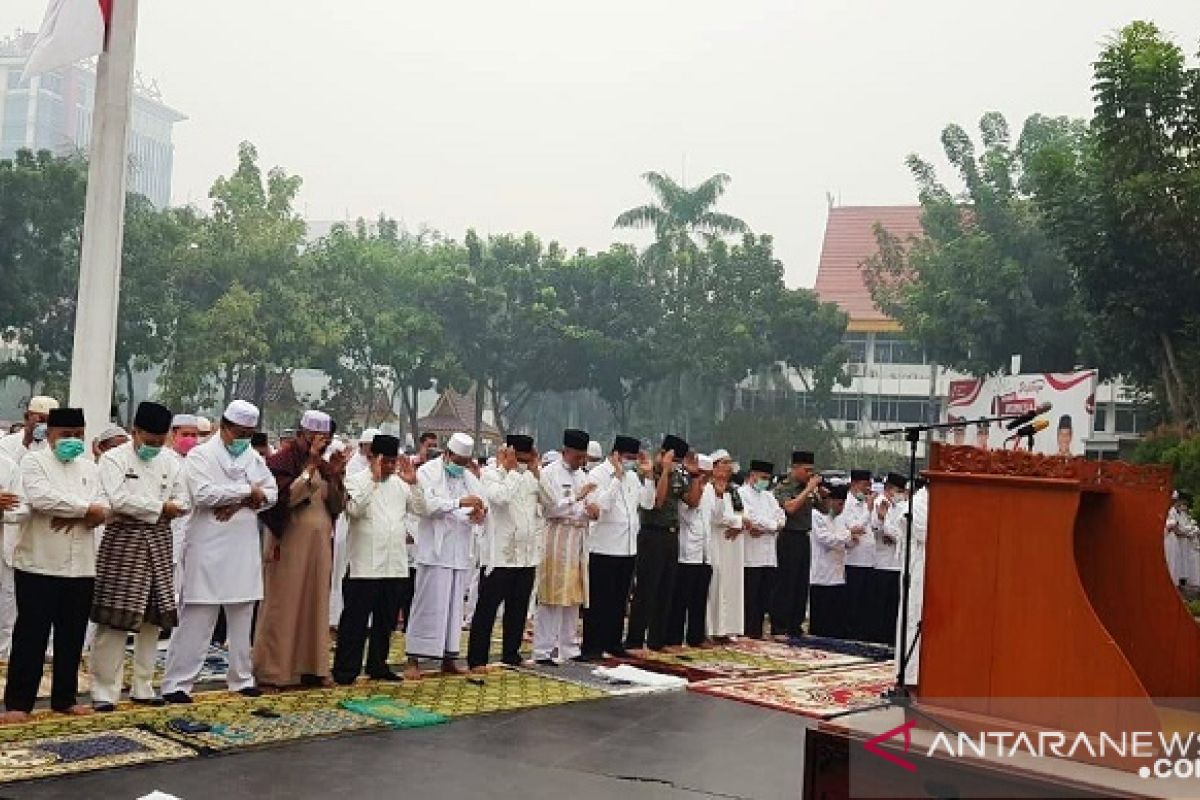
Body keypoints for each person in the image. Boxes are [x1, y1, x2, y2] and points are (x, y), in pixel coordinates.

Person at [162, 400, 277, 703]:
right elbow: (203, 494)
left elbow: (272, 493)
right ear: (223, 427)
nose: (244, 439)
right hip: (208, 546)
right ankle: (177, 683)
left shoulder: (253, 458)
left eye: (249, 434)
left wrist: (239, 501)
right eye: (240, 432)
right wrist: (247, 493)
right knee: (197, 618)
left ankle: (241, 678)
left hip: (242, 546)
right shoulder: (200, 455)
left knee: (241, 617)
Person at [1, 407, 106, 723]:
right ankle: (19, 703)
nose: (72, 441)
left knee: (71, 635)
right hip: (39, 564)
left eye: (77, 435)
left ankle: (65, 698)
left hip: (82, 566)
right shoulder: (33, 463)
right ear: (49, 435)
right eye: (65, 435)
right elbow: (42, 498)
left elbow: (106, 505)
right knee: (31, 635)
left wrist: (86, 512)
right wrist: (84, 510)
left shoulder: (91, 467)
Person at [90, 402, 189, 711]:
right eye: (149, 441)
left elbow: (183, 500)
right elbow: (117, 500)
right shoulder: (113, 459)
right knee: (115, 619)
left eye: (160, 442)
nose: (154, 447)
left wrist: (156, 508)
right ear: (135, 432)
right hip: (123, 543)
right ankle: (105, 691)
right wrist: (160, 508)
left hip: (158, 543)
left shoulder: (172, 461)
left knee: (153, 620)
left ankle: (143, 686)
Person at [254, 410, 347, 689]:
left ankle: (313, 667)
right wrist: (309, 465)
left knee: (315, 606)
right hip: (289, 544)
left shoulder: (326, 466)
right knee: (283, 606)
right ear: (301, 436)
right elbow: (284, 500)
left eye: (325, 439)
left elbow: (337, 506)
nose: (321, 444)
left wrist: (336, 474)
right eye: (316, 439)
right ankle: (273, 672)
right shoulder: (281, 462)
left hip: (319, 547)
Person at [332, 435, 422, 684]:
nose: (391, 467)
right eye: (387, 461)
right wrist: (372, 479)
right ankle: (346, 670)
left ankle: (378, 665)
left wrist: (414, 483)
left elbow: (421, 509)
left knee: (386, 621)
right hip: (364, 565)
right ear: (374, 457)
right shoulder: (356, 481)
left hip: (394, 565)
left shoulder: (400, 484)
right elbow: (354, 510)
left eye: (394, 462)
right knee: (355, 621)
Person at [405, 432, 487, 679]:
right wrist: (458, 503)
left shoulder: (468, 477)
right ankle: (413, 659)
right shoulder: (428, 472)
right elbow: (427, 506)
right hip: (434, 551)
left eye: (464, 462)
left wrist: (480, 514)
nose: (460, 466)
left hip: (459, 552)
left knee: (453, 610)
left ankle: (449, 658)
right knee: (426, 606)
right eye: (457, 460)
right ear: (447, 454)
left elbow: (482, 506)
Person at [468, 435, 548, 671]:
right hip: (499, 556)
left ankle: (511, 654)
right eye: (519, 458)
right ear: (509, 454)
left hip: (526, 555)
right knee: (487, 611)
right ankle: (477, 659)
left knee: (518, 609)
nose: (523, 463)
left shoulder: (532, 476)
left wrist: (536, 472)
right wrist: (512, 471)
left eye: (527, 458)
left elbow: (552, 503)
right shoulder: (491, 474)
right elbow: (500, 498)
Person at [579, 435, 654, 661]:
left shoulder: (632, 477)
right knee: (599, 600)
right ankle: (592, 646)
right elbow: (601, 507)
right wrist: (615, 480)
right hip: (604, 547)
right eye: (627, 458)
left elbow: (648, 503)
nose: (630, 462)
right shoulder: (597, 474)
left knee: (619, 601)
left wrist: (649, 476)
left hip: (628, 548)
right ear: (615, 455)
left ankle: (612, 642)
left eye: (634, 458)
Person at [625, 435, 701, 654]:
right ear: (663, 453)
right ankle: (635, 640)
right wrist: (665, 471)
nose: (676, 464)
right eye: (673, 458)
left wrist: (695, 476)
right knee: (646, 588)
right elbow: (656, 502)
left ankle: (657, 640)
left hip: (671, 535)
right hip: (652, 534)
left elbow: (693, 501)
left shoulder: (678, 475)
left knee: (666, 589)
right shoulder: (647, 473)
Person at [0, 395, 58, 661]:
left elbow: (27, 503)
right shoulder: (7, 448)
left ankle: (18, 652)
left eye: (48, 422)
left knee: (24, 599)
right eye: (39, 419)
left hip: (35, 535)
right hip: (9, 532)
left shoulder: (53, 452)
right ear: (27, 418)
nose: (42, 426)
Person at [534, 429, 594, 665]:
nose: (581, 462)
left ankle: (569, 647)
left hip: (578, 540)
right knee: (551, 596)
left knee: (574, 596)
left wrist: (592, 509)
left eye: (583, 457)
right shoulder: (548, 474)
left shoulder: (583, 475)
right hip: (556, 540)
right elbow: (551, 509)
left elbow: (587, 505)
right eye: (577, 456)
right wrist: (576, 498)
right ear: (565, 452)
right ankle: (543, 650)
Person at [668, 454, 727, 649]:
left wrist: (719, 495)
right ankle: (674, 637)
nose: (707, 478)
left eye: (709, 475)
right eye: (704, 474)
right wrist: (697, 485)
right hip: (687, 551)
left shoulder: (710, 490)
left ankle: (696, 637)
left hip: (705, 552)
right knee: (681, 598)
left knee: (700, 598)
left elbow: (717, 517)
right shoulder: (685, 488)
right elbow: (688, 510)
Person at [772, 450, 821, 640]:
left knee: (801, 583)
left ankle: (795, 624)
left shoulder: (808, 487)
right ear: (795, 468)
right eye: (806, 470)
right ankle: (779, 625)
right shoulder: (784, 487)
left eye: (812, 471)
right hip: (788, 536)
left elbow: (824, 509)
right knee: (786, 582)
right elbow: (790, 508)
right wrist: (808, 489)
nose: (810, 474)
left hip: (804, 537)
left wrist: (819, 493)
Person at [739, 461, 785, 639]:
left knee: (764, 597)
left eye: (768, 478)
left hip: (769, 556)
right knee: (750, 597)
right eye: (763, 478)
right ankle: (747, 632)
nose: (765, 481)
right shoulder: (742, 494)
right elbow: (751, 518)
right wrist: (772, 526)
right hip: (751, 555)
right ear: (752, 476)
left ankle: (757, 632)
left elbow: (781, 517)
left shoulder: (769, 497)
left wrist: (769, 526)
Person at [706, 449, 745, 642]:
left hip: (733, 545)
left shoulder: (733, 489)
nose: (729, 466)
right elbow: (716, 517)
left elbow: (743, 515)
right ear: (714, 466)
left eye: (730, 462)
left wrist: (739, 524)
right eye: (725, 462)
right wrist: (736, 522)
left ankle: (729, 628)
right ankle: (714, 629)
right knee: (716, 583)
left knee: (732, 584)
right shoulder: (707, 488)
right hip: (716, 541)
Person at [810, 484, 853, 637]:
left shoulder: (841, 519)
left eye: (844, 504)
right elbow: (826, 538)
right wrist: (848, 536)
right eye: (839, 504)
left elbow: (851, 542)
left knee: (835, 614)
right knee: (821, 614)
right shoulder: (817, 516)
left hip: (837, 572)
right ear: (830, 501)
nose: (841, 508)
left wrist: (847, 537)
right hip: (821, 573)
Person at [870, 472, 907, 645]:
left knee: (893, 605)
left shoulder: (902, 507)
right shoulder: (878, 503)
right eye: (897, 490)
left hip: (897, 563)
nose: (900, 494)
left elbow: (901, 535)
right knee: (880, 605)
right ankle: (878, 638)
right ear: (889, 489)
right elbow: (875, 529)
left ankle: (890, 638)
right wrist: (882, 519)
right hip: (882, 562)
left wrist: (887, 526)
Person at [897, 478, 928, 686]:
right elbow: (926, 533)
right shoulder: (917, 503)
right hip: (919, 568)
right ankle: (910, 675)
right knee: (914, 618)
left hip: (932, 568)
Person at [840, 468, 875, 641]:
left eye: (869, 485)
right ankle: (850, 635)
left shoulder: (866, 504)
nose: (867, 489)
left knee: (865, 602)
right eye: (864, 485)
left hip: (869, 560)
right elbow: (855, 527)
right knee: (852, 601)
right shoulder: (847, 504)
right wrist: (868, 511)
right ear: (854, 484)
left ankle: (863, 635)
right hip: (853, 560)